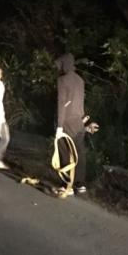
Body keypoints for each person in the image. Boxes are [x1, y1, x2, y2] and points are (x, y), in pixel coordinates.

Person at [55, 53, 87, 194]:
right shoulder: (80, 80)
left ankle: (67, 184)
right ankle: (80, 184)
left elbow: (61, 104)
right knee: (79, 152)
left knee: (65, 152)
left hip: (67, 121)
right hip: (79, 121)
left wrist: (59, 125)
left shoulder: (62, 80)